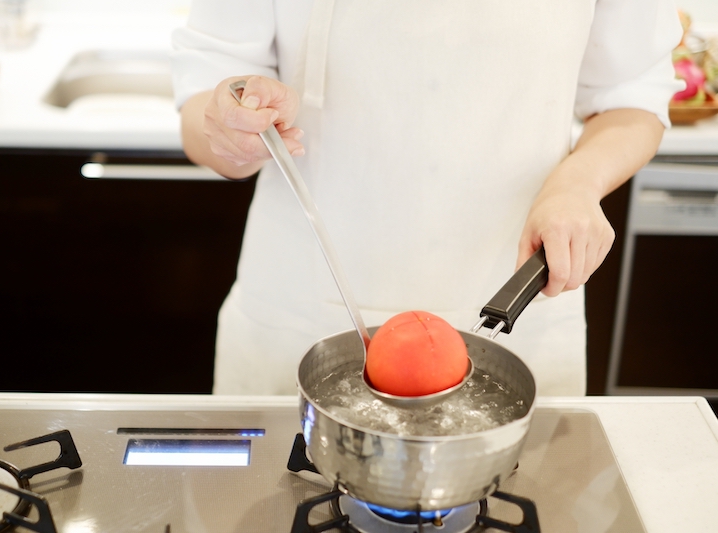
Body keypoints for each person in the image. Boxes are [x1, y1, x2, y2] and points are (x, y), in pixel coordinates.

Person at [172, 0, 684, 397]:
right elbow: (206, 103)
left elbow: (633, 99)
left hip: (519, 310)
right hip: (299, 325)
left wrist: (578, 184)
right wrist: (231, 126)